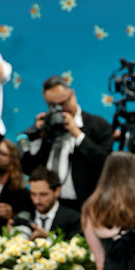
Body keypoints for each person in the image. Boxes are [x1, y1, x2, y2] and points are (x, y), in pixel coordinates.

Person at [21, 75, 113, 208]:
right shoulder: (47, 127)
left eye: (64, 103)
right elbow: (28, 168)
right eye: (54, 106)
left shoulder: (98, 125)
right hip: (50, 206)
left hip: (85, 205)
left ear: (72, 94)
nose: (62, 109)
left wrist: (77, 134)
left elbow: (105, 164)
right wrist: (37, 137)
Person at [28, 166, 81, 240]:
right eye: (33, 194)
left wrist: (50, 238)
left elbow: (77, 248)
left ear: (57, 191)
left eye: (43, 194)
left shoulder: (74, 220)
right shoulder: (25, 216)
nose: (37, 201)